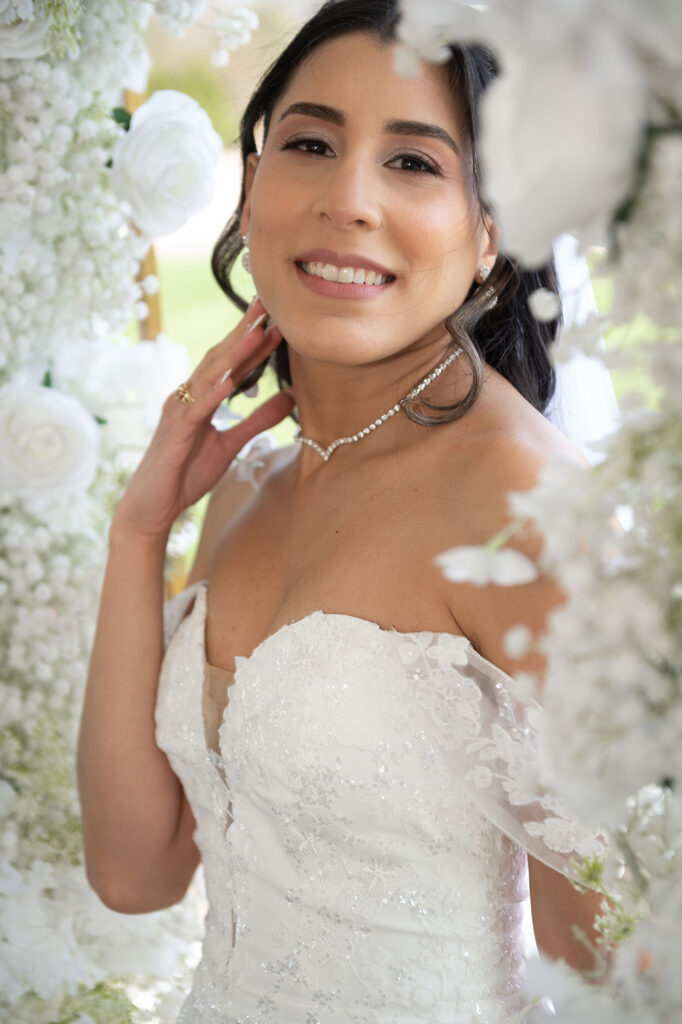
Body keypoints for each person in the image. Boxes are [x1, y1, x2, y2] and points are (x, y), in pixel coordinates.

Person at [78, 1, 608, 1020]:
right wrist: (136, 534)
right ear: (251, 185)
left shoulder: (524, 510)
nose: (347, 201)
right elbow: (135, 873)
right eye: (312, 144)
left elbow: (608, 973)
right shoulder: (248, 486)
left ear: (493, 231)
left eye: (413, 162)